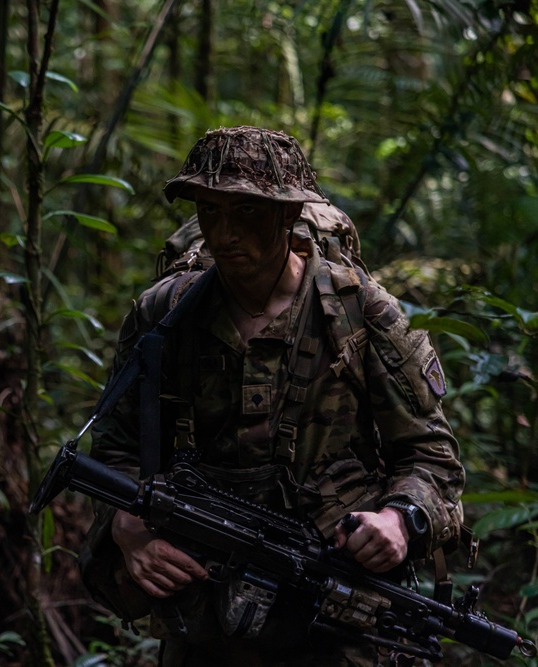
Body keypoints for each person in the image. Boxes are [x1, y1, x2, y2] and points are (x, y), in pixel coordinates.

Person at [79, 126, 465, 666]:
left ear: (288, 215)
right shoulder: (163, 315)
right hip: (206, 614)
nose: (224, 233)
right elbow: (116, 448)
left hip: (335, 607)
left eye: (247, 213)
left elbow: (433, 456)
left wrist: (399, 520)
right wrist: (129, 531)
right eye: (209, 212)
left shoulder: (360, 315)